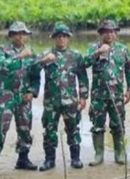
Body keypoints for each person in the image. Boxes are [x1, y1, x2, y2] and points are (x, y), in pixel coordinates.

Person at [0, 22, 39, 177]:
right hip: (5, 96)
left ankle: (23, 159)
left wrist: (32, 91)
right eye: (16, 33)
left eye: (23, 33)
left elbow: (35, 75)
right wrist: (20, 56)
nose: (20, 36)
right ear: (10, 36)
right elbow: (1, 66)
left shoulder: (31, 52)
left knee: (25, 127)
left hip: (23, 97)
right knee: (0, 127)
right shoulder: (1, 50)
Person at [32, 23, 89, 171]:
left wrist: (83, 97)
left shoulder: (75, 56)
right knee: (49, 130)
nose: (61, 39)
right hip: (51, 101)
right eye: (58, 36)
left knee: (73, 129)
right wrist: (44, 60)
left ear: (68, 38)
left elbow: (82, 77)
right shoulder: (46, 54)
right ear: (53, 38)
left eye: (64, 36)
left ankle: (75, 158)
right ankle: (50, 160)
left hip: (71, 101)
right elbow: (32, 68)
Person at [84, 20, 130, 166]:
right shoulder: (93, 48)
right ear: (100, 33)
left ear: (116, 34)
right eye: (106, 31)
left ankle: (119, 153)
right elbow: (83, 63)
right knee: (97, 125)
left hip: (117, 96)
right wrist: (98, 53)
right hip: (98, 96)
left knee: (118, 124)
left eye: (113, 31)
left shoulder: (123, 50)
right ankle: (99, 154)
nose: (110, 34)